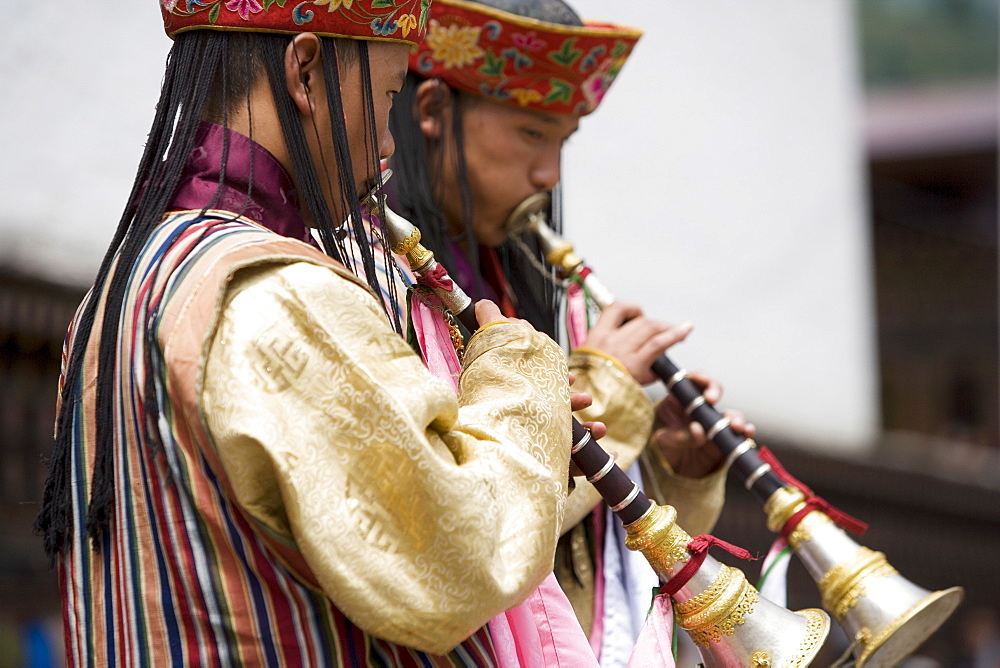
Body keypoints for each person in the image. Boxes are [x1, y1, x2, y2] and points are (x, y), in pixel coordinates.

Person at [34, 2, 607, 663]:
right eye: (389, 96)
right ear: (304, 70)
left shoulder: (135, 279)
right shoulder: (278, 292)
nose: (389, 145)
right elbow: (461, 560)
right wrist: (518, 372)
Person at [386, 0, 754, 661]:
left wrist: (676, 475)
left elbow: (588, 558)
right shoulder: (379, 284)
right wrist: (602, 388)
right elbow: (464, 531)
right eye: (531, 135)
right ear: (432, 110)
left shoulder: (542, 293)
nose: (549, 174)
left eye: (563, 141)